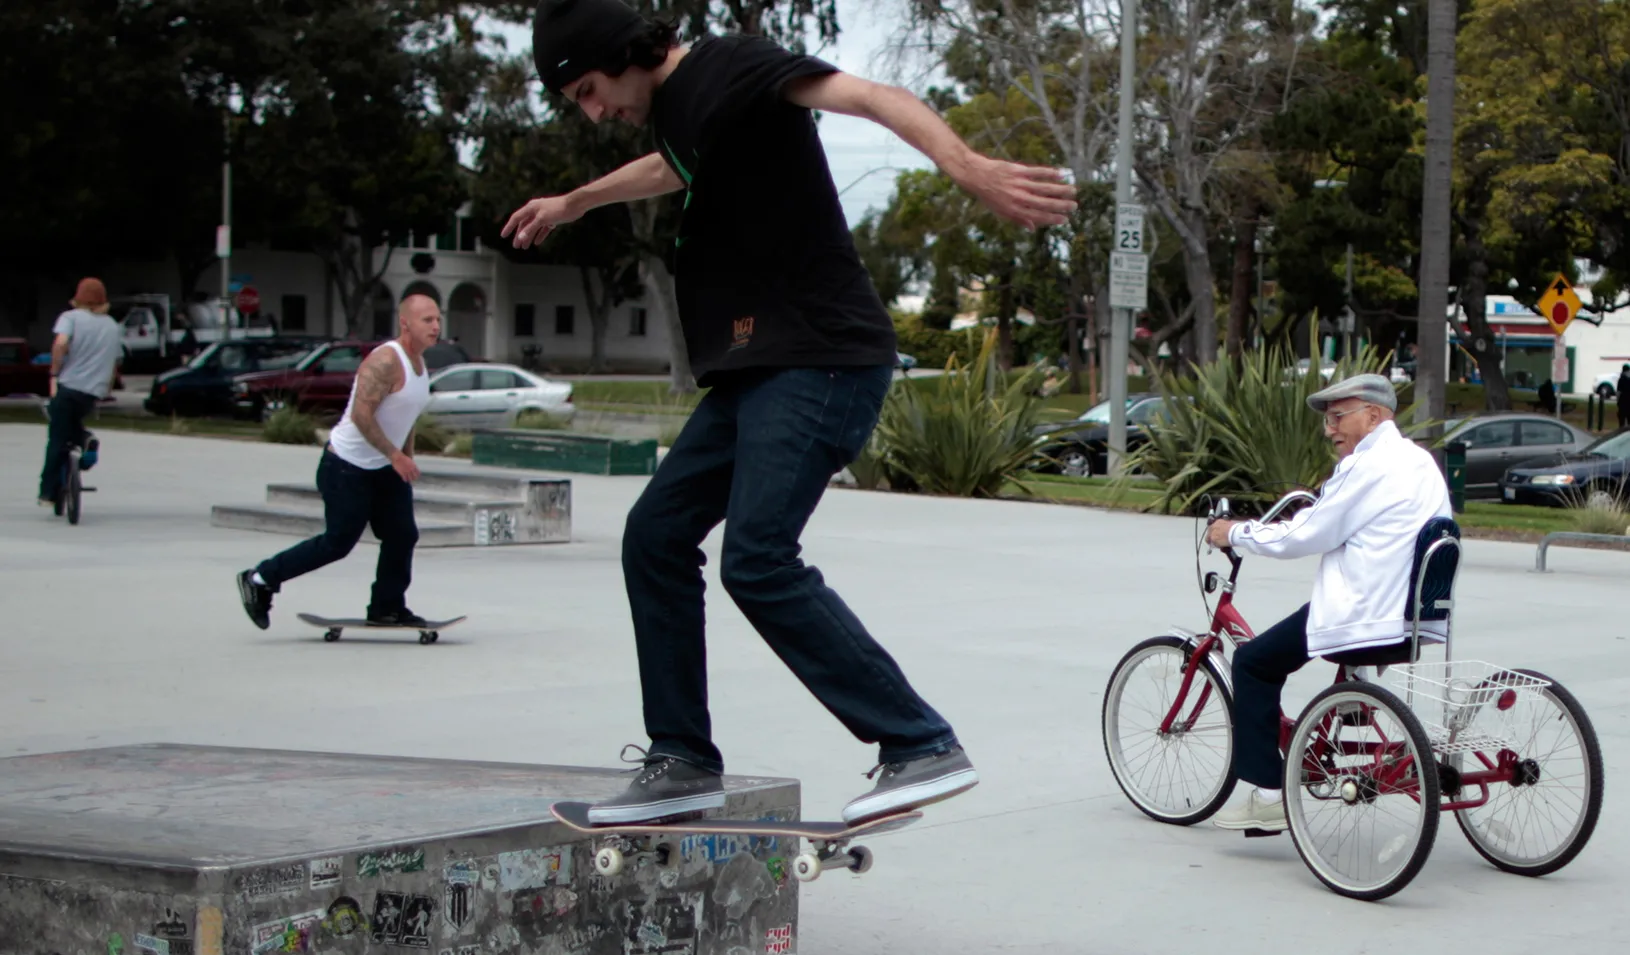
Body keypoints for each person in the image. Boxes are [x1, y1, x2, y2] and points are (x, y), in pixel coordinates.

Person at [507, 0, 1077, 825]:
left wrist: (969, 167)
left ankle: (918, 741)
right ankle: (681, 759)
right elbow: (671, 164)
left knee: (758, 557)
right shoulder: (679, 110)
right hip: (753, 370)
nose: (596, 113)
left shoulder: (734, 64)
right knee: (655, 536)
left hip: (821, 357)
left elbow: (875, 97)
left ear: (625, 52)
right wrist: (575, 201)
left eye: (592, 90)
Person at [1202, 374, 1452, 832]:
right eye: (1327, 420)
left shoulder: (1366, 466)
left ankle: (1268, 793)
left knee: (1254, 663)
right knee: (1300, 635)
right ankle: (1342, 714)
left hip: (1365, 613)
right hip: (1414, 613)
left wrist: (1235, 532)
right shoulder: (1419, 461)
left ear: (1373, 416)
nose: (1329, 429)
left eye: (1338, 417)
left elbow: (1305, 535)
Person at [236, 295, 441, 630]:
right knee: (338, 543)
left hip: (385, 469)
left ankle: (386, 607)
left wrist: (406, 459)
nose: (435, 327)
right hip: (346, 466)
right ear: (405, 323)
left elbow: (407, 418)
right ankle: (259, 579)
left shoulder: (420, 365)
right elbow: (362, 415)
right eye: (427, 320)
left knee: (403, 535)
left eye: (437, 320)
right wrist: (395, 455)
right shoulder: (386, 361)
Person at [38, 278, 122, 507]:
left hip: (68, 386)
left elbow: (60, 343)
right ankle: (85, 439)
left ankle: (47, 492)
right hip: (92, 392)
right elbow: (115, 362)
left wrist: (54, 373)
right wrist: (106, 388)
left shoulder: (70, 318)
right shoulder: (112, 326)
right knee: (69, 422)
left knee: (56, 436)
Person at [1616, 364, 1630, 430]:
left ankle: (1621, 430)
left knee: (1622, 418)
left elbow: (1618, 392)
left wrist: (1617, 400)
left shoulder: (1621, 379)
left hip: (1623, 401)